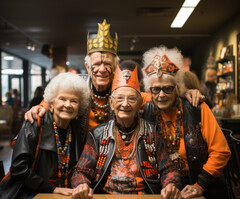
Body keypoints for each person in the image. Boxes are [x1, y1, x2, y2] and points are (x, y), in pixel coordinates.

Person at [24, 20, 204, 135]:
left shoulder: (125, 91)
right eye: (96, 64)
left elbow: (158, 95)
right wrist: (39, 108)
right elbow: (55, 99)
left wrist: (185, 93)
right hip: (79, 156)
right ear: (87, 66)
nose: (102, 69)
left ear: (115, 67)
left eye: (107, 64)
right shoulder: (75, 85)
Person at [141, 45, 234, 199]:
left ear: (177, 87)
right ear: (149, 90)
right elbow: (123, 96)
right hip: (161, 191)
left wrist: (200, 185)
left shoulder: (197, 108)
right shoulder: (146, 106)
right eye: (156, 89)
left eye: (167, 88)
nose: (161, 95)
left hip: (201, 189)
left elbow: (221, 151)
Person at [70, 64, 182, 199]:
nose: (125, 104)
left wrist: (170, 184)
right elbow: (81, 171)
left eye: (131, 99)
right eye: (120, 98)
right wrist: (81, 185)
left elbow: (168, 170)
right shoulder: (97, 135)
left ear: (139, 103)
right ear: (111, 103)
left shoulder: (152, 132)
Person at [0, 72, 89, 199]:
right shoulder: (35, 123)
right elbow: (19, 169)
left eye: (74, 101)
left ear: (79, 107)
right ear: (51, 103)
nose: (68, 105)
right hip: (26, 193)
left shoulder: (76, 130)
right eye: (62, 99)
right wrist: (53, 190)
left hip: (62, 194)